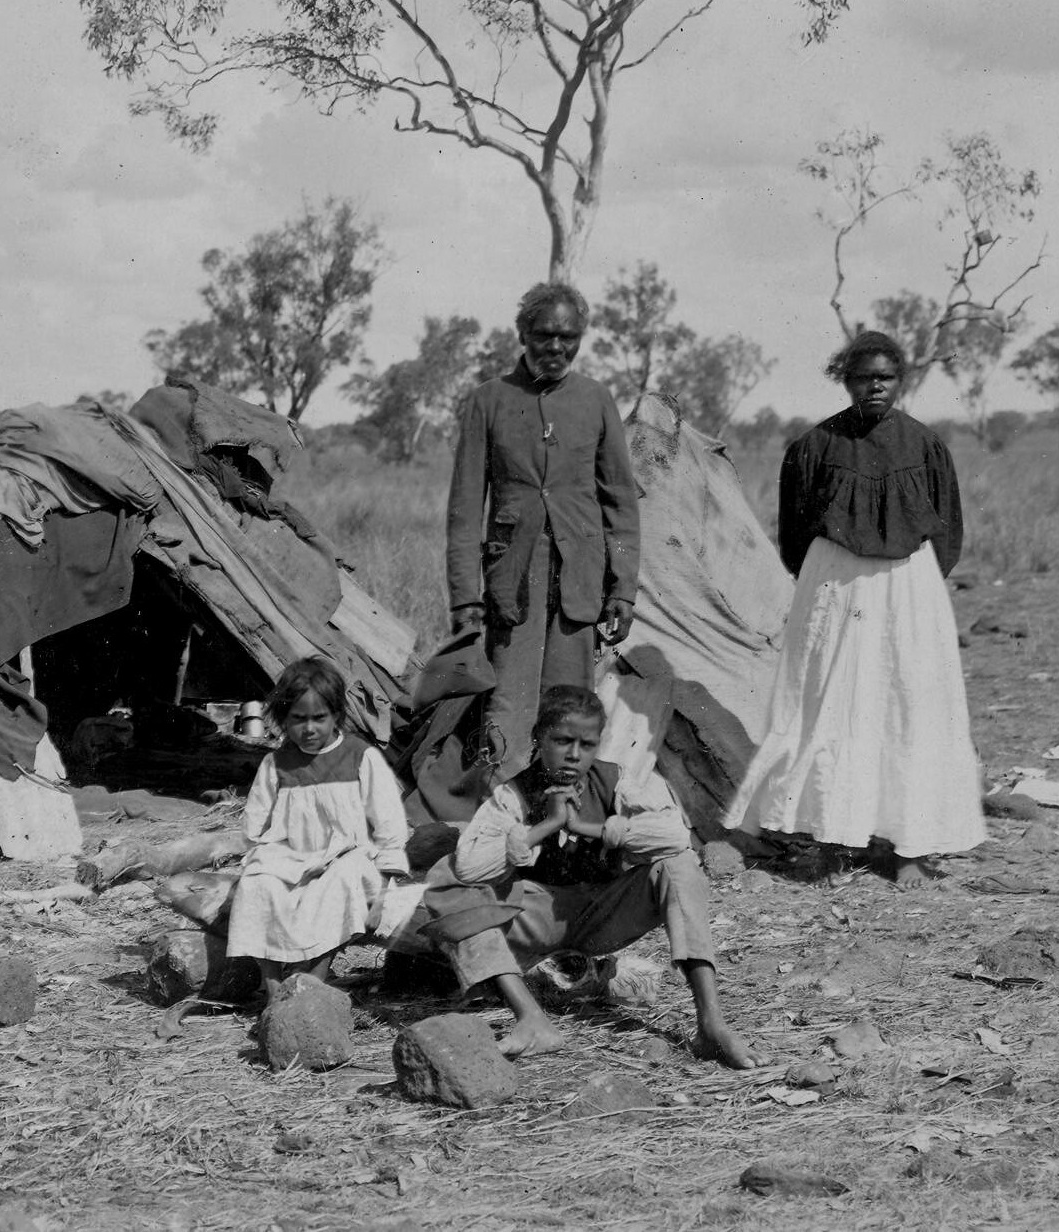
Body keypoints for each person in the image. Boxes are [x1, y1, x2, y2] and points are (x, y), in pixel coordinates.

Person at [724, 331, 985, 887]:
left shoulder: (926, 445)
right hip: (834, 585)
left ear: (901, 380)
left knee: (908, 700)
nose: (875, 387)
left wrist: (911, 587)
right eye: (864, 377)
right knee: (829, 702)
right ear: (846, 381)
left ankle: (909, 847)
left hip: (907, 588)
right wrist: (833, 575)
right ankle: (830, 841)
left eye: (885, 377)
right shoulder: (813, 447)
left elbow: (949, 531)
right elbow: (793, 535)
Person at [421, 686, 757, 1068]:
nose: (574, 755)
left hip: (603, 915)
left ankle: (711, 1024)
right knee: (448, 876)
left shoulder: (618, 781)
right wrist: (545, 825)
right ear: (538, 738)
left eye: (586, 744)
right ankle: (531, 1019)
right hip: (537, 917)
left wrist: (592, 827)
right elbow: (470, 867)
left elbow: (675, 837)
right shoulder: (512, 795)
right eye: (561, 740)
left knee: (679, 865)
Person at [445, 281, 640, 784]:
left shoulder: (596, 400)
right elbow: (466, 508)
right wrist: (466, 597)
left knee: (569, 703)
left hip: (579, 574)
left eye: (568, 336)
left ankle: (562, 819)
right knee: (508, 700)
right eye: (545, 334)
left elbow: (619, 500)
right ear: (523, 333)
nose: (556, 347)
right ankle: (501, 816)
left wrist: (623, 588)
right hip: (513, 575)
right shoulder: (489, 400)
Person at [225, 658, 411, 998]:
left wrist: (386, 882)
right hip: (291, 855)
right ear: (282, 719)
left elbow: (389, 821)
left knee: (341, 881)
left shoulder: (360, 756)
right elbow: (255, 823)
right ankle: (273, 986)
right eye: (298, 719)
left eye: (319, 718)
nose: (309, 728)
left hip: (346, 856)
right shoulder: (276, 764)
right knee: (257, 883)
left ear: (337, 715)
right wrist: (259, 856)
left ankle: (314, 983)